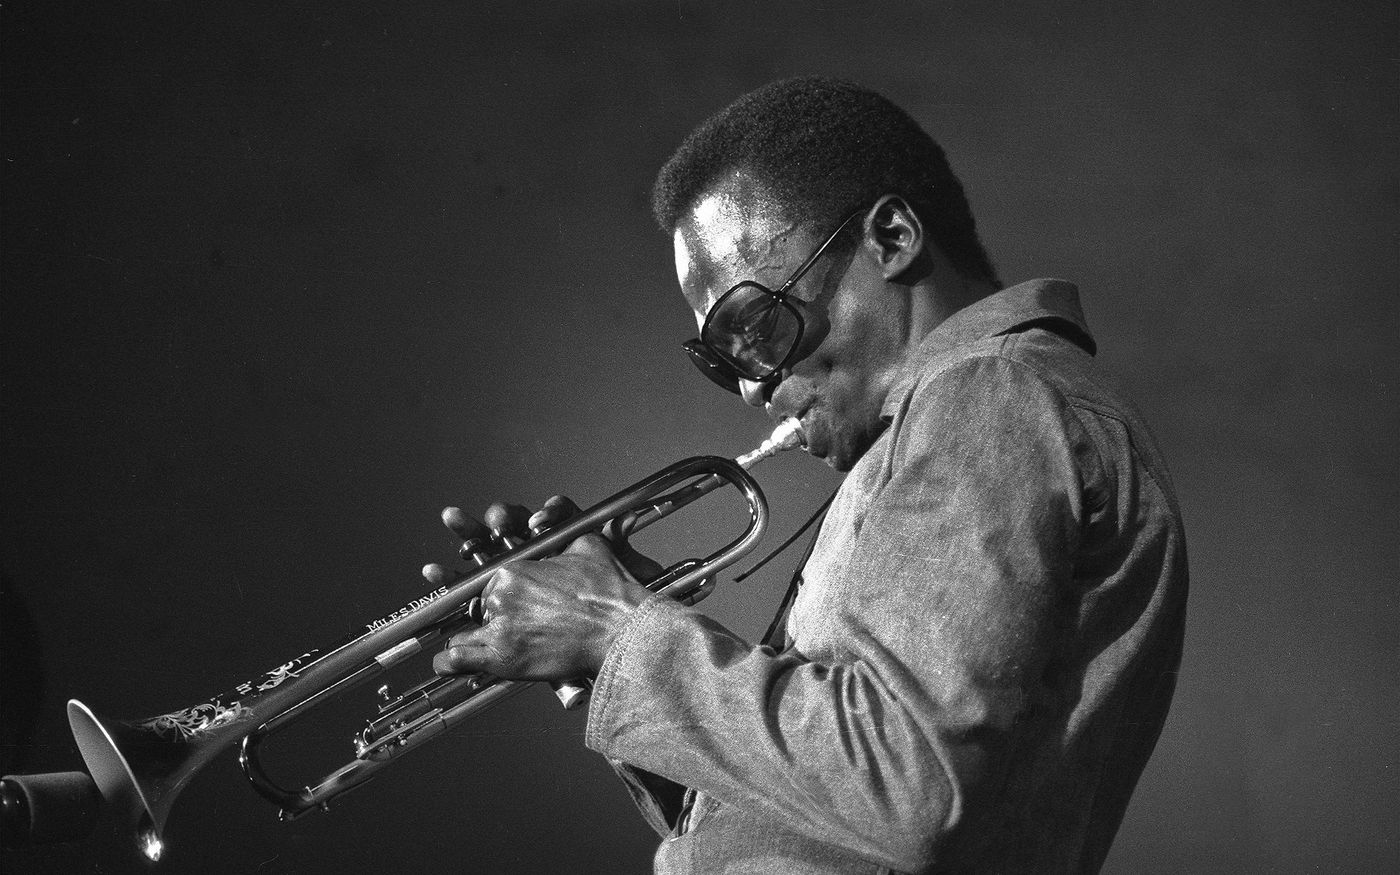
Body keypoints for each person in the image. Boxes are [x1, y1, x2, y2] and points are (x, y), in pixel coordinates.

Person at [423, 77, 1189, 874]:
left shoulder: (990, 396)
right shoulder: (956, 418)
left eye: (752, 325)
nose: (752, 385)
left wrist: (616, 630)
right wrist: (606, 654)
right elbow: (801, 822)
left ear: (891, 237)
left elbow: (910, 791)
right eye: (720, 360)